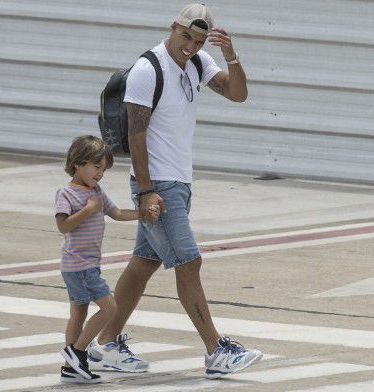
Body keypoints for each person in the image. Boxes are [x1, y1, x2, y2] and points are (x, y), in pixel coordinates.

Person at [88, 4, 262, 379]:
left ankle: (106, 342)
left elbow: (238, 93)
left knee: (143, 264)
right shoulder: (147, 70)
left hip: (178, 182)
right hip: (158, 185)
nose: (190, 47)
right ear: (173, 27)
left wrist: (230, 55)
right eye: (186, 37)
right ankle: (215, 351)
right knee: (189, 262)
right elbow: (136, 137)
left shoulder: (198, 63)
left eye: (199, 42)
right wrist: (147, 191)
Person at [55, 135, 159, 384]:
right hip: (79, 265)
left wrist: (142, 213)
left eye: (104, 169)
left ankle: (72, 369)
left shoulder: (96, 192)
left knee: (78, 314)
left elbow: (117, 213)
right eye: (96, 166)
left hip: (85, 264)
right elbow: (63, 226)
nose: (100, 173)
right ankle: (77, 352)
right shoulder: (67, 193)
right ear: (78, 163)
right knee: (110, 307)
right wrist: (88, 210)